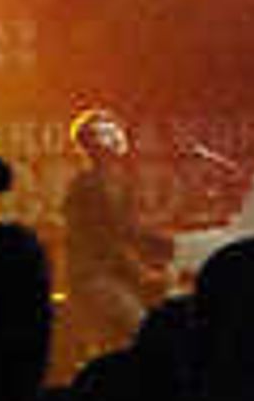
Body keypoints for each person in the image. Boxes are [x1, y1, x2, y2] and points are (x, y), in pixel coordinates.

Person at [57, 104, 170, 369]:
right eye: (109, 128)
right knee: (143, 329)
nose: (119, 133)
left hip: (117, 275)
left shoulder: (119, 181)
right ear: (95, 141)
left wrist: (169, 246)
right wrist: (143, 271)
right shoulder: (87, 186)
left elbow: (134, 232)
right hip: (94, 277)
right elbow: (108, 239)